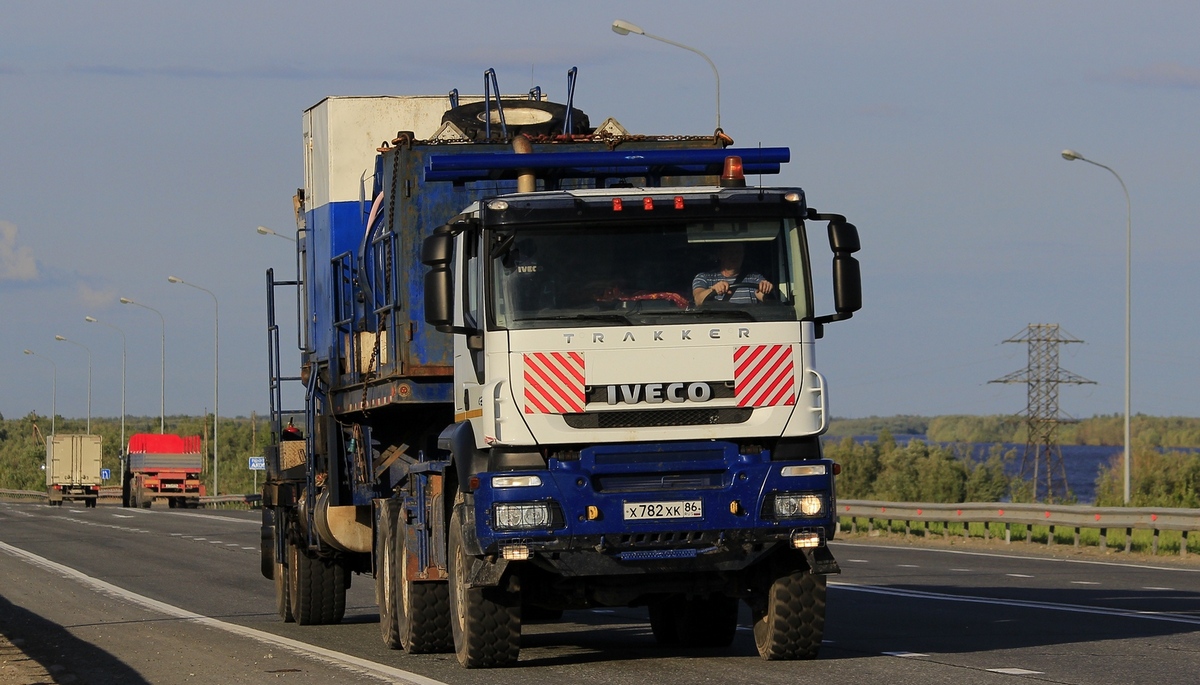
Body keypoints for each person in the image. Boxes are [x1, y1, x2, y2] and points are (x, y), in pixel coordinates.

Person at [692, 242, 773, 305]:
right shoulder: (704, 277)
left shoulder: (754, 278)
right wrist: (713, 290)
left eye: (738, 252)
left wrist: (766, 289)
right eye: (730, 252)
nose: (735, 256)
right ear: (721, 255)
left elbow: (765, 297)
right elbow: (698, 300)